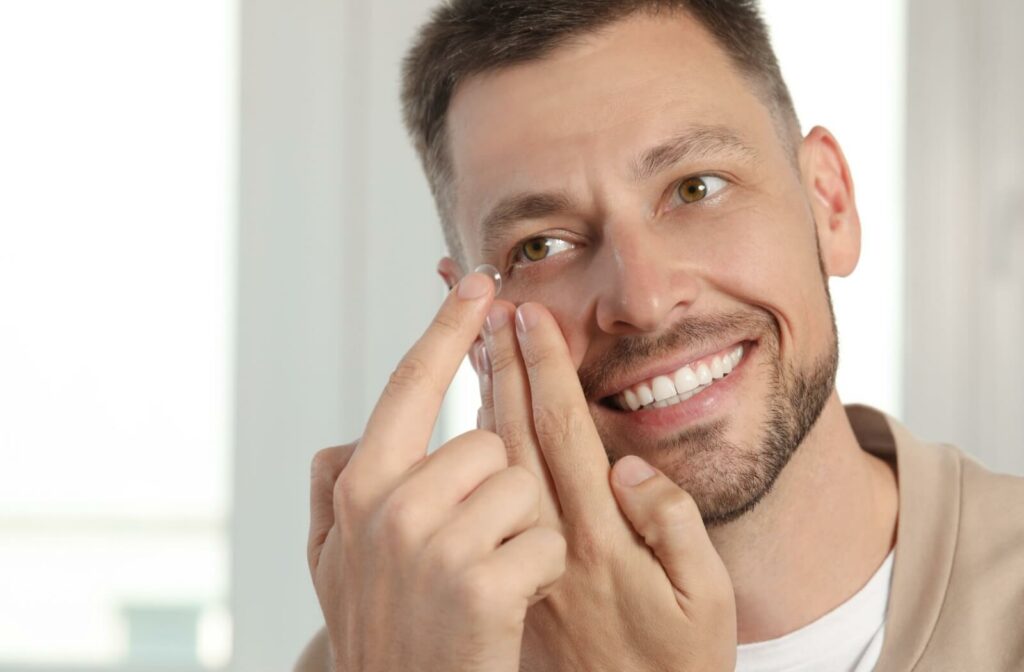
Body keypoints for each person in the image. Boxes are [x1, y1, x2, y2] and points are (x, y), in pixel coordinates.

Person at [297, 1, 1024, 670]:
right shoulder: (406, 643)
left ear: (828, 204)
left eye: (695, 188)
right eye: (543, 245)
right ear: (474, 323)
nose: (642, 299)